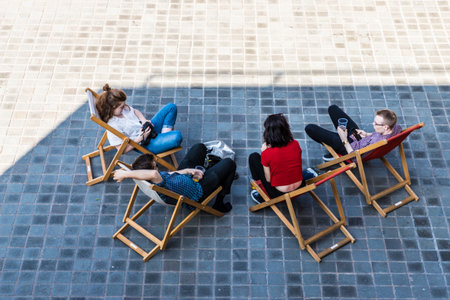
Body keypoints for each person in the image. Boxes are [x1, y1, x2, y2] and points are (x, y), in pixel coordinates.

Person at [113, 143, 236, 213]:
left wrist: (188, 170)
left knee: (199, 148)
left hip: (184, 178)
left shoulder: (157, 178)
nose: (157, 166)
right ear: (150, 171)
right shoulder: (157, 181)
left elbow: (171, 174)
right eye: (155, 166)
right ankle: (219, 203)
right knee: (229, 163)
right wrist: (125, 174)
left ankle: (222, 173)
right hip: (197, 192)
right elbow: (155, 174)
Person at [248, 113, 318, 203]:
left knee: (254, 157)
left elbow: (268, 179)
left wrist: (264, 152)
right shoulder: (295, 144)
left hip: (278, 193)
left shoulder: (267, 153)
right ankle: (307, 174)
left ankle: (259, 190)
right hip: (300, 186)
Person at [96, 84, 182, 154]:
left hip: (147, 129)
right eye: (121, 107)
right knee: (177, 136)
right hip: (144, 144)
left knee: (171, 107)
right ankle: (164, 140)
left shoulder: (123, 109)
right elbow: (122, 150)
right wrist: (140, 138)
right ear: (110, 109)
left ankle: (164, 138)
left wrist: (144, 121)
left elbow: (135, 111)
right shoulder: (113, 126)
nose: (125, 107)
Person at [305, 105, 402, 161]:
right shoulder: (396, 128)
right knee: (333, 109)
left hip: (349, 148)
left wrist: (343, 139)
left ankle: (336, 151)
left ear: (385, 127)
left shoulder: (377, 142)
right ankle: (339, 139)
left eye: (376, 123)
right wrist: (366, 134)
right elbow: (377, 136)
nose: (372, 124)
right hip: (359, 139)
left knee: (310, 128)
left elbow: (354, 155)